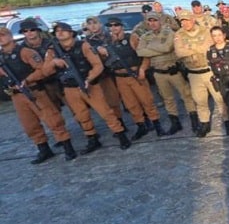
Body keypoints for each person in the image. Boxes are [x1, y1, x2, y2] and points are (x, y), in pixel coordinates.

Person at [50, 22, 131, 153]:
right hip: (70, 88)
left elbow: (98, 65)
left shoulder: (83, 46)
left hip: (89, 84)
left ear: (71, 33)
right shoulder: (53, 50)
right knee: (81, 116)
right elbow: (45, 70)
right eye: (56, 31)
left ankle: (121, 135)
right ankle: (92, 139)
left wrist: (89, 78)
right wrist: (53, 62)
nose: (59, 33)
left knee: (105, 112)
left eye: (63, 30)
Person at [0, 23, 76, 162]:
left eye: (3, 35)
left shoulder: (26, 52)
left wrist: (28, 80)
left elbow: (43, 69)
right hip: (17, 95)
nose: (1, 39)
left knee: (53, 120)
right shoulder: (2, 57)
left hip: (34, 91)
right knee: (29, 125)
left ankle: (68, 147)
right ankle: (43, 149)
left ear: (11, 37)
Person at [99, 14, 168, 139]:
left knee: (147, 101)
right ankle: (141, 126)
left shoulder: (132, 38)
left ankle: (157, 125)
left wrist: (142, 69)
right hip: (120, 77)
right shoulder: (108, 42)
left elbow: (144, 55)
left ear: (121, 26)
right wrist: (102, 52)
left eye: (116, 25)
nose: (113, 28)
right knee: (131, 104)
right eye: (110, 26)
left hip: (134, 74)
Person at [136, 10, 196, 135]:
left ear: (160, 21)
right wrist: (158, 50)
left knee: (186, 95)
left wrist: (150, 47)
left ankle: (194, 121)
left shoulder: (170, 33)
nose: (152, 23)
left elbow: (167, 47)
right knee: (168, 99)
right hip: (159, 73)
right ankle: (175, 123)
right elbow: (140, 52)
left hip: (173, 70)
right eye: (150, 21)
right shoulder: (145, 37)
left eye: (155, 20)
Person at [174, 9, 226, 137]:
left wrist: (190, 48)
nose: (185, 24)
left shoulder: (205, 31)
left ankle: (228, 120)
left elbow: (207, 48)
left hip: (209, 70)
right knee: (199, 100)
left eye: (187, 20)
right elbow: (179, 53)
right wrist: (197, 49)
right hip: (193, 72)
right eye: (182, 21)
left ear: (192, 20)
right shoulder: (179, 34)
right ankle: (204, 123)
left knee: (219, 97)